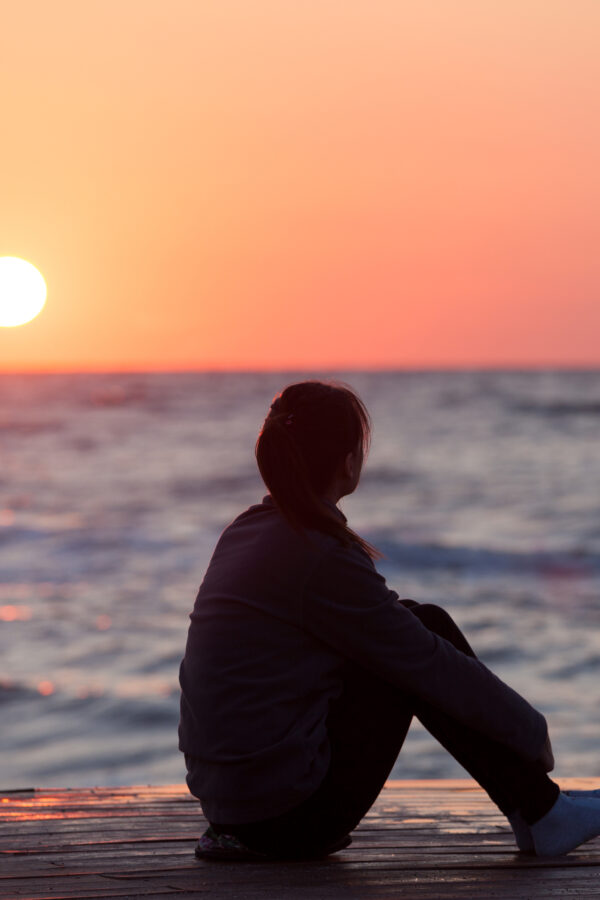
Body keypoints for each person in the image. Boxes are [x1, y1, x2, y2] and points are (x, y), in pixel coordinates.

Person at [179, 380, 600, 861]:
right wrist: (531, 736)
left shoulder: (246, 530)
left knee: (412, 623)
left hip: (230, 809)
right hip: (285, 820)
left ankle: (539, 812)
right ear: (349, 463)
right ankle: (544, 810)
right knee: (425, 635)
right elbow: (425, 661)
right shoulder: (317, 555)